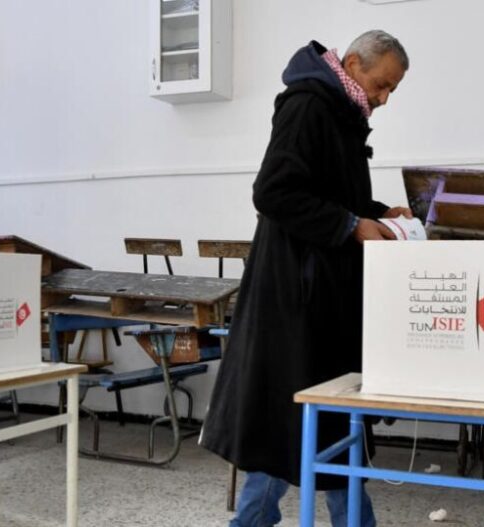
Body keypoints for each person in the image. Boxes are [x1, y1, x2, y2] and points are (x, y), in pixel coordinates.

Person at [199, 30, 411, 527]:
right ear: (354, 63)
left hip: (315, 294)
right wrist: (350, 224)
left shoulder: (340, 113)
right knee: (312, 417)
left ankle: (260, 522)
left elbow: (327, 190)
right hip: (297, 296)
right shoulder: (309, 107)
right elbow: (274, 191)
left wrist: (380, 212)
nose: (382, 99)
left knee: (307, 420)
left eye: (390, 92)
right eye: (381, 86)